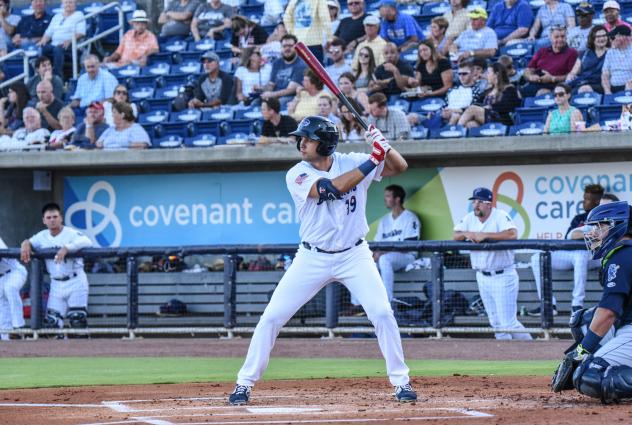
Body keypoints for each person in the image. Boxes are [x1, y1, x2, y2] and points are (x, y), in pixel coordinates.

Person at [227, 116, 417, 405]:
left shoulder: (351, 159)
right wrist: (372, 160)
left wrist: (384, 147)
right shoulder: (297, 173)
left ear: (325, 143)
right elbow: (331, 189)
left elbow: (400, 167)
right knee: (273, 317)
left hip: (354, 255)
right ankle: (244, 383)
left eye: (308, 138)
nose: (301, 142)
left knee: (381, 312)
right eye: (300, 138)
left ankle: (401, 382)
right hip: (311, 257)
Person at [551, 200, 632, 404]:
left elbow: (608, 313)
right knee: (583, 322)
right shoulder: (624, 253)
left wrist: (580, 353)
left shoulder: (622, 256)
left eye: (601, 226)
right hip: (626, 325)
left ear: (618, 225)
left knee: (590, 376)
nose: (594, 232)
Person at [453, 187, 532, 341]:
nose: (476, 205)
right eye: (474, 201)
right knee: (495, 323)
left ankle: (534, 350)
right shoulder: (470, 218)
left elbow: (512, 234)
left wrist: (485, 235)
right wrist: (466, 234)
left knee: (508, 323)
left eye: (480, 202)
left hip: (503, 275)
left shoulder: (500, 216)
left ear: (490, 204)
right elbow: (455, 235)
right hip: (482, 276)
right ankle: (507, 358)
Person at [529, 184, 604, 317]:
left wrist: (583, 234)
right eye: (584, 198)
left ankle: (577, 304)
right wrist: (587, 234)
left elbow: (599, 240)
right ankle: (548, 304)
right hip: (571, 255)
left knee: (581, 254)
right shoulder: (579, 218)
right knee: (537, 258)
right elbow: (570, 237)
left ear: (596, 201)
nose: (583, 202)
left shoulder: (603, 217)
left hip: (593, 258)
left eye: (587, 199)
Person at [20, 203, 93, 336]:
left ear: (61, 218)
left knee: (77, 322)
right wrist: (25, 242)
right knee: (51, 326)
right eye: (49, 217)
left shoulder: (70, 233)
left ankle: (86, 354)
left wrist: (68, 248)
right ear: (44, 220)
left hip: (75, 281)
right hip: (56, 285)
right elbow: (30, 242)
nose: (52, 220)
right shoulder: (41, 236)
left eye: (55, 216)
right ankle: (61, 354)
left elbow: (87, 241)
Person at [373, 185, 420, 302]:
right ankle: (359, 304)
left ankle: (387, 300)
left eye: (388, 196)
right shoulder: (384, 220)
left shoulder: (410, 218)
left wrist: (382, 253)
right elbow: (375, 244)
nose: (385, 199)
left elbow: (409, 245)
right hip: (387, 256)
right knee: (365, 264)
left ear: (397, 199)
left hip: (407, 256)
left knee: (384, 259)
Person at [458, 62, 521, 128]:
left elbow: (508, 106)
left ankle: (456, 131)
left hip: (501, 119)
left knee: (472, 109)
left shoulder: (510, 88)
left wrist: (490, 107)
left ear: (496, 74)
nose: (486, 75)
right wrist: (461, 110)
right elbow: (476, 103)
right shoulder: (489, 90)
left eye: (488, 73)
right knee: (470, 124)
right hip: (487, 117)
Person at [522, 26, 578, 97]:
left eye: (562, 36)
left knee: (541, 93)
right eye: (556, 37)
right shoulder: (542, 51)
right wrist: (530, 77)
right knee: (517, 93)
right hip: (537, 83)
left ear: (566, 37)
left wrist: (552, 78)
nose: (560, 39)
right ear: (550, 38)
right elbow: (528, 70)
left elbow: (572, 76)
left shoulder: (572, 53)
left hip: (557, 86)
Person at [37, 0, 85, 78]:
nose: (68, 4)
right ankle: (42, 74)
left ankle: (57, 76)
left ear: (75, 4)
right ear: (62, 4)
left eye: (70, 2)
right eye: (66, 2)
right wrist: (43, 40)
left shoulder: (79, 15)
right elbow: (48, 32)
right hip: (54, 44)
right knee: (43, 49)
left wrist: (70, 40)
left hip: (70, 45)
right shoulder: (57, 16)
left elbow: (81, 33)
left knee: (57, 49)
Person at [261, 34, 307, 107]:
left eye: (290, 46)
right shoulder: (277, 63)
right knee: (256, 101)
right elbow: (271, 85)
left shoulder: (301, 65)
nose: (287, 48)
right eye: (284, 46)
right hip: (275, 95)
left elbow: (290, 90)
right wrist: (262, 89)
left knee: (279, 103)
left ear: (296, 47)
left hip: (291, 97)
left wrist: (272, 95)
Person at [566, 25, 609, 94]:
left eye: (604, 36)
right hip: (582, 82)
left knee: (584, 89)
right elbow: (573, 72)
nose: (601, 39)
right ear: (592, 38)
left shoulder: (611, 53)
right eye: (598, 36)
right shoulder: (584, 54)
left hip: (601, 84)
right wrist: (570, 76)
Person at [0, 234, 27, 340]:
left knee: (10, 288)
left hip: (14, 271)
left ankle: (18, 327)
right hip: (1, 278)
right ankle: (7, 339)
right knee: (2, 307)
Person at [440, 61, 485, 125]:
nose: (461, 76)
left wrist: (453, 111)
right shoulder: (452, 90)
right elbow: (444, 106)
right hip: (446, 117)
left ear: (472, 74)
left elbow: (471, 110)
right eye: (459, 74)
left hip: (462, 118)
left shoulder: (477, 91)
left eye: (464, 74)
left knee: (456, 117)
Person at [601, 25, 632, 95]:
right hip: (613, 88)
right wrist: (607, 91)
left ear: (622, 37)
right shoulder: (610, 52)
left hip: (629, 87)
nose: (610, 40)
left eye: (613, 37)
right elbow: (605, 74)